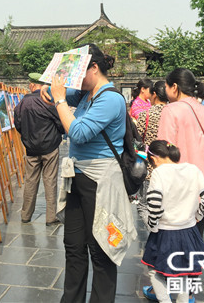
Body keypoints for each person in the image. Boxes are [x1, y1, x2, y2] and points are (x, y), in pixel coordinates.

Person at [42, 44, 136, 303]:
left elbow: (79, 133)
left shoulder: (110, 98)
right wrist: (52, 88)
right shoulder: (86, 94)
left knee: (101, 249)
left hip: (101, 181)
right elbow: (53, 92)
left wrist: (60, 98)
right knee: (73, 246)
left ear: (94, 68)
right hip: (78, 179)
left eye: (78, 73)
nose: (75, 81)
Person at [141, 140, 204, 303]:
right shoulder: (192, 169)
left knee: (154, 270)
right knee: (183, 270)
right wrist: (197, 215)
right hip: (189, 231)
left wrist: (153, 225)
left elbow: (154, 204)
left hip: (165, 232)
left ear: (154, 159)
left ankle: (164, 300)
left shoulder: (159, 173)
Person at [157, 68, 204, 235]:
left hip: (178, 187)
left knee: (176, 245)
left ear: (174, 87)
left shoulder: (170, 110)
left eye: (167, 87)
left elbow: (163, 151)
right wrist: (202, 155)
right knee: (195, 239)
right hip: (202, 185)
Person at [14, 72, 65, 225]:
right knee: (50, 182)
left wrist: (28, 137)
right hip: (49, 147)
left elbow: (18, 124)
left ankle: (25, 215)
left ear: (32, 85)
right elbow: (61, 123)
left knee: (30, 181)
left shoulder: (21, 103)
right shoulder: (48, 101)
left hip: (31, 149)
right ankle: (50, 217)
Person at [135, 80, 168, 207]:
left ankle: (152, 227)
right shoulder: (173, 113)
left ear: (154, 94)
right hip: (170, 167)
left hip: (150, 168)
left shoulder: (146, 115)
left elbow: (137, 140)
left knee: (144, 206)